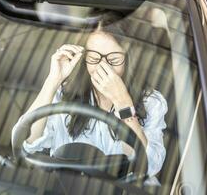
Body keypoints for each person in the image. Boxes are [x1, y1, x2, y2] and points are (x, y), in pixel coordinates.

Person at [13, 24, 168, 180]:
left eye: (113, 60)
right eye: (94, 57)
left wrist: (123, 103)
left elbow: (150, 166)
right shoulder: (65, 94)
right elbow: (27, 144)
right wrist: (53, 81)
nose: (102, 67)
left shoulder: (151, 102)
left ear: (128, 58)